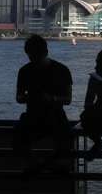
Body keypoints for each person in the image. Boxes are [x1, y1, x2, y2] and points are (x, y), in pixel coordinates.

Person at [13, 35, 73, 172]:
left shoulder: (25, 71)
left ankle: (34, 164)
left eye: (34, 56)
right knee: (64, 140)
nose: (33, 59)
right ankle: (53, 164)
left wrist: (31, 98)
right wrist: (53, 99)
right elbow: (68, 99)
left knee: (19, 138)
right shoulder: (62, 70)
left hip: (35, 116)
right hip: (55, 116)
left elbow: (19, 97)